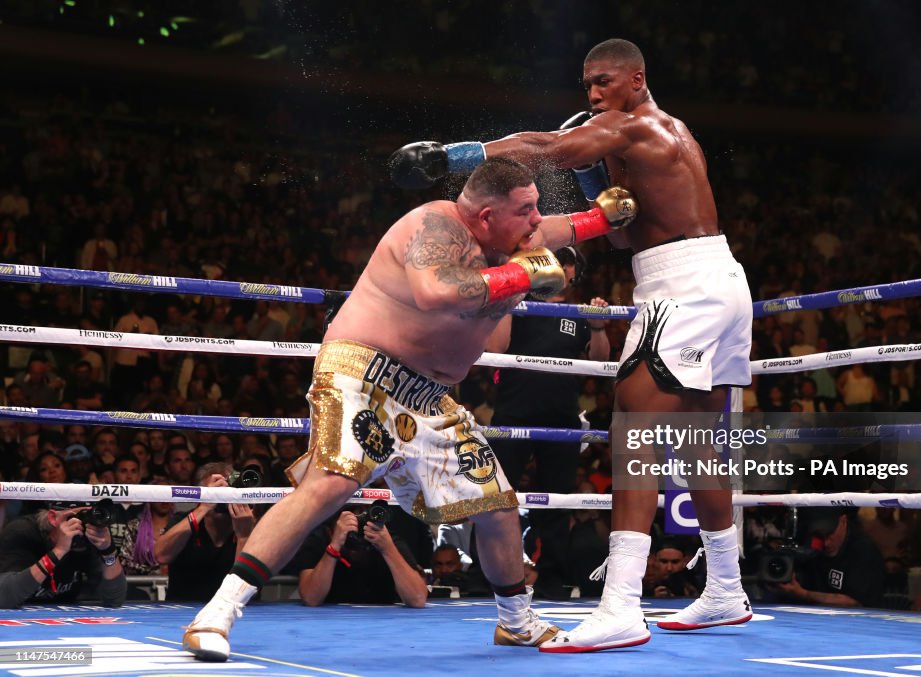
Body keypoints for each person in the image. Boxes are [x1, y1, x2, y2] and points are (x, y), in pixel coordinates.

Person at [182, 158, 635, 661]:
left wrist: (605, 216)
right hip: (364, 372)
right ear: (486, 216)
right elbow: (435, 291)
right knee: (330, 483)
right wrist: (519, 273)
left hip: (428, 398)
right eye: (526, 211)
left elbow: (565, 225)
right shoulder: (433, 226)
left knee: (499, 506)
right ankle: (216, 614)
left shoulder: (514, 232)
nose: (537, 221)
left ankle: (517, 622)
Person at [391, 38, 752, 651]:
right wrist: (595, 185)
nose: (592, 97)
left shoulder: (632, 126)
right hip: (717, 283)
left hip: (685, 288)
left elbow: (546, 148)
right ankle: (725, 591)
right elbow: (623, 237)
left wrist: (460, 155)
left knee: (632, 434)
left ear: (637, 80)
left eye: (604, 83)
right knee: (691, 446)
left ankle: (621, 607)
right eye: (587, 86)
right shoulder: (666, 133)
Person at [485, 245, 611, 598]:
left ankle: (553, 578)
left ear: (573, 273)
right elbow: (495, 350)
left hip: (561, 418)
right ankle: (492, 576)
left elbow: (600, 364)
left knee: (557, 500)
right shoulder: (518, 305)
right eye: (557, 261)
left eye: (568, 263)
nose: (563, 268)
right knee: (496, 496)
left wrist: (599, 329)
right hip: (513, 413)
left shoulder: (579, 312)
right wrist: (508, 304)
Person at [292, 504, 427, 608]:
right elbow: (311, 598)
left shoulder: (384, 538)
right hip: (330, 624)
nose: (356, 534)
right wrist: (335, 545)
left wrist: (388, 549)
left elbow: (418, 598)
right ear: (330, 530)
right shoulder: (321, 539)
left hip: (384, 624)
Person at [156, 463, 256, 602]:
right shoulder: (183, 520)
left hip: (230, 609)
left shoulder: (246, 524)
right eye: (219, 492)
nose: (224, 498)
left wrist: (244, 537)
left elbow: (247, 585)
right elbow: (161, 556)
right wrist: (204, 507)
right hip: (182, 611)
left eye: (228, 491)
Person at [0, 503, 126, 608]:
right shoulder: (22, 532)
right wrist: (59, 551)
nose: (82, 524)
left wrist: (108, 550)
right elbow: (4, 597)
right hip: (21, 618)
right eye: (76, 517)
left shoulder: (89, 535)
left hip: (67, 618)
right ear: (53, 517)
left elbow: (114, 599)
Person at [773, 507, 884, 608]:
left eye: (830, 534)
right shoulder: (814, 546)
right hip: (816, 619)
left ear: (843, 521)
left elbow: (853, 602)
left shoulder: (863, 551)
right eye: (820, 536)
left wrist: (803, 594)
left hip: (858, 622)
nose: (826, 542)